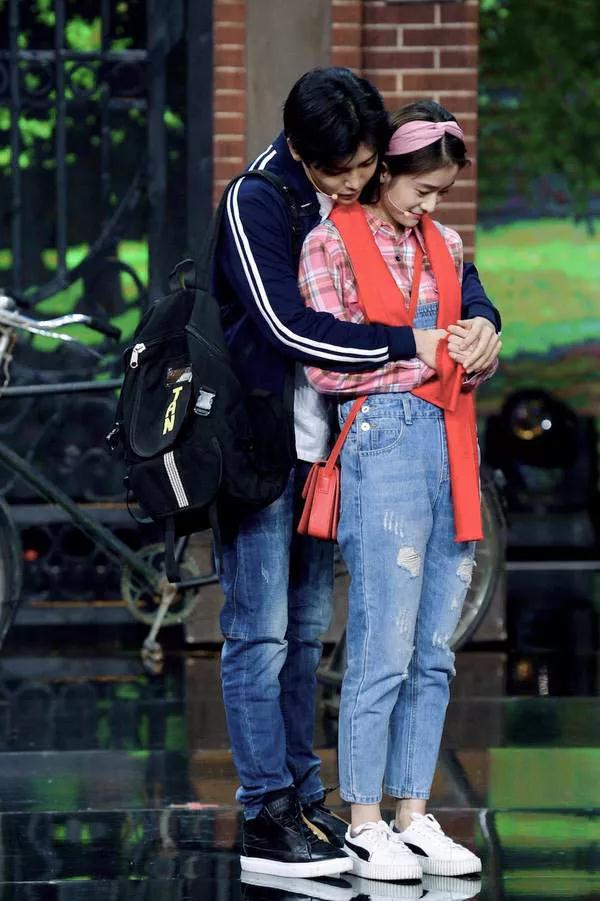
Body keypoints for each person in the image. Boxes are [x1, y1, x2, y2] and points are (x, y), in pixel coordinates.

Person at [213, 68, 501, 879]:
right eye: (341, 169)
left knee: (308, 630)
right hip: (259, 442)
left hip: (323, 449)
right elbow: (290, 328)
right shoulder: (260, 201)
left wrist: (482, 323)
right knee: (261, 631)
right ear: (301, 150)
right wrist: (414, 344)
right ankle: (265, 810)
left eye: (367, 165)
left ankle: (310, 799)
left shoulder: (390, 213)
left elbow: (459, 282)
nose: (354, 182)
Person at [299, 99, 500, 882]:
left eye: (442, 192)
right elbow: (329, 366)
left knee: (434, 648)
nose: (430, 205)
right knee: (382, 641)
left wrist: (481, 342)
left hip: (452, 438)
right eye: (422, 188)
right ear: (385, 170)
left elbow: (469, 341)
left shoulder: (446, 244)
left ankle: (414, 813)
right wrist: (431, 355)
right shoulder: (329, 242)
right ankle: (363, 819)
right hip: (381, 442)